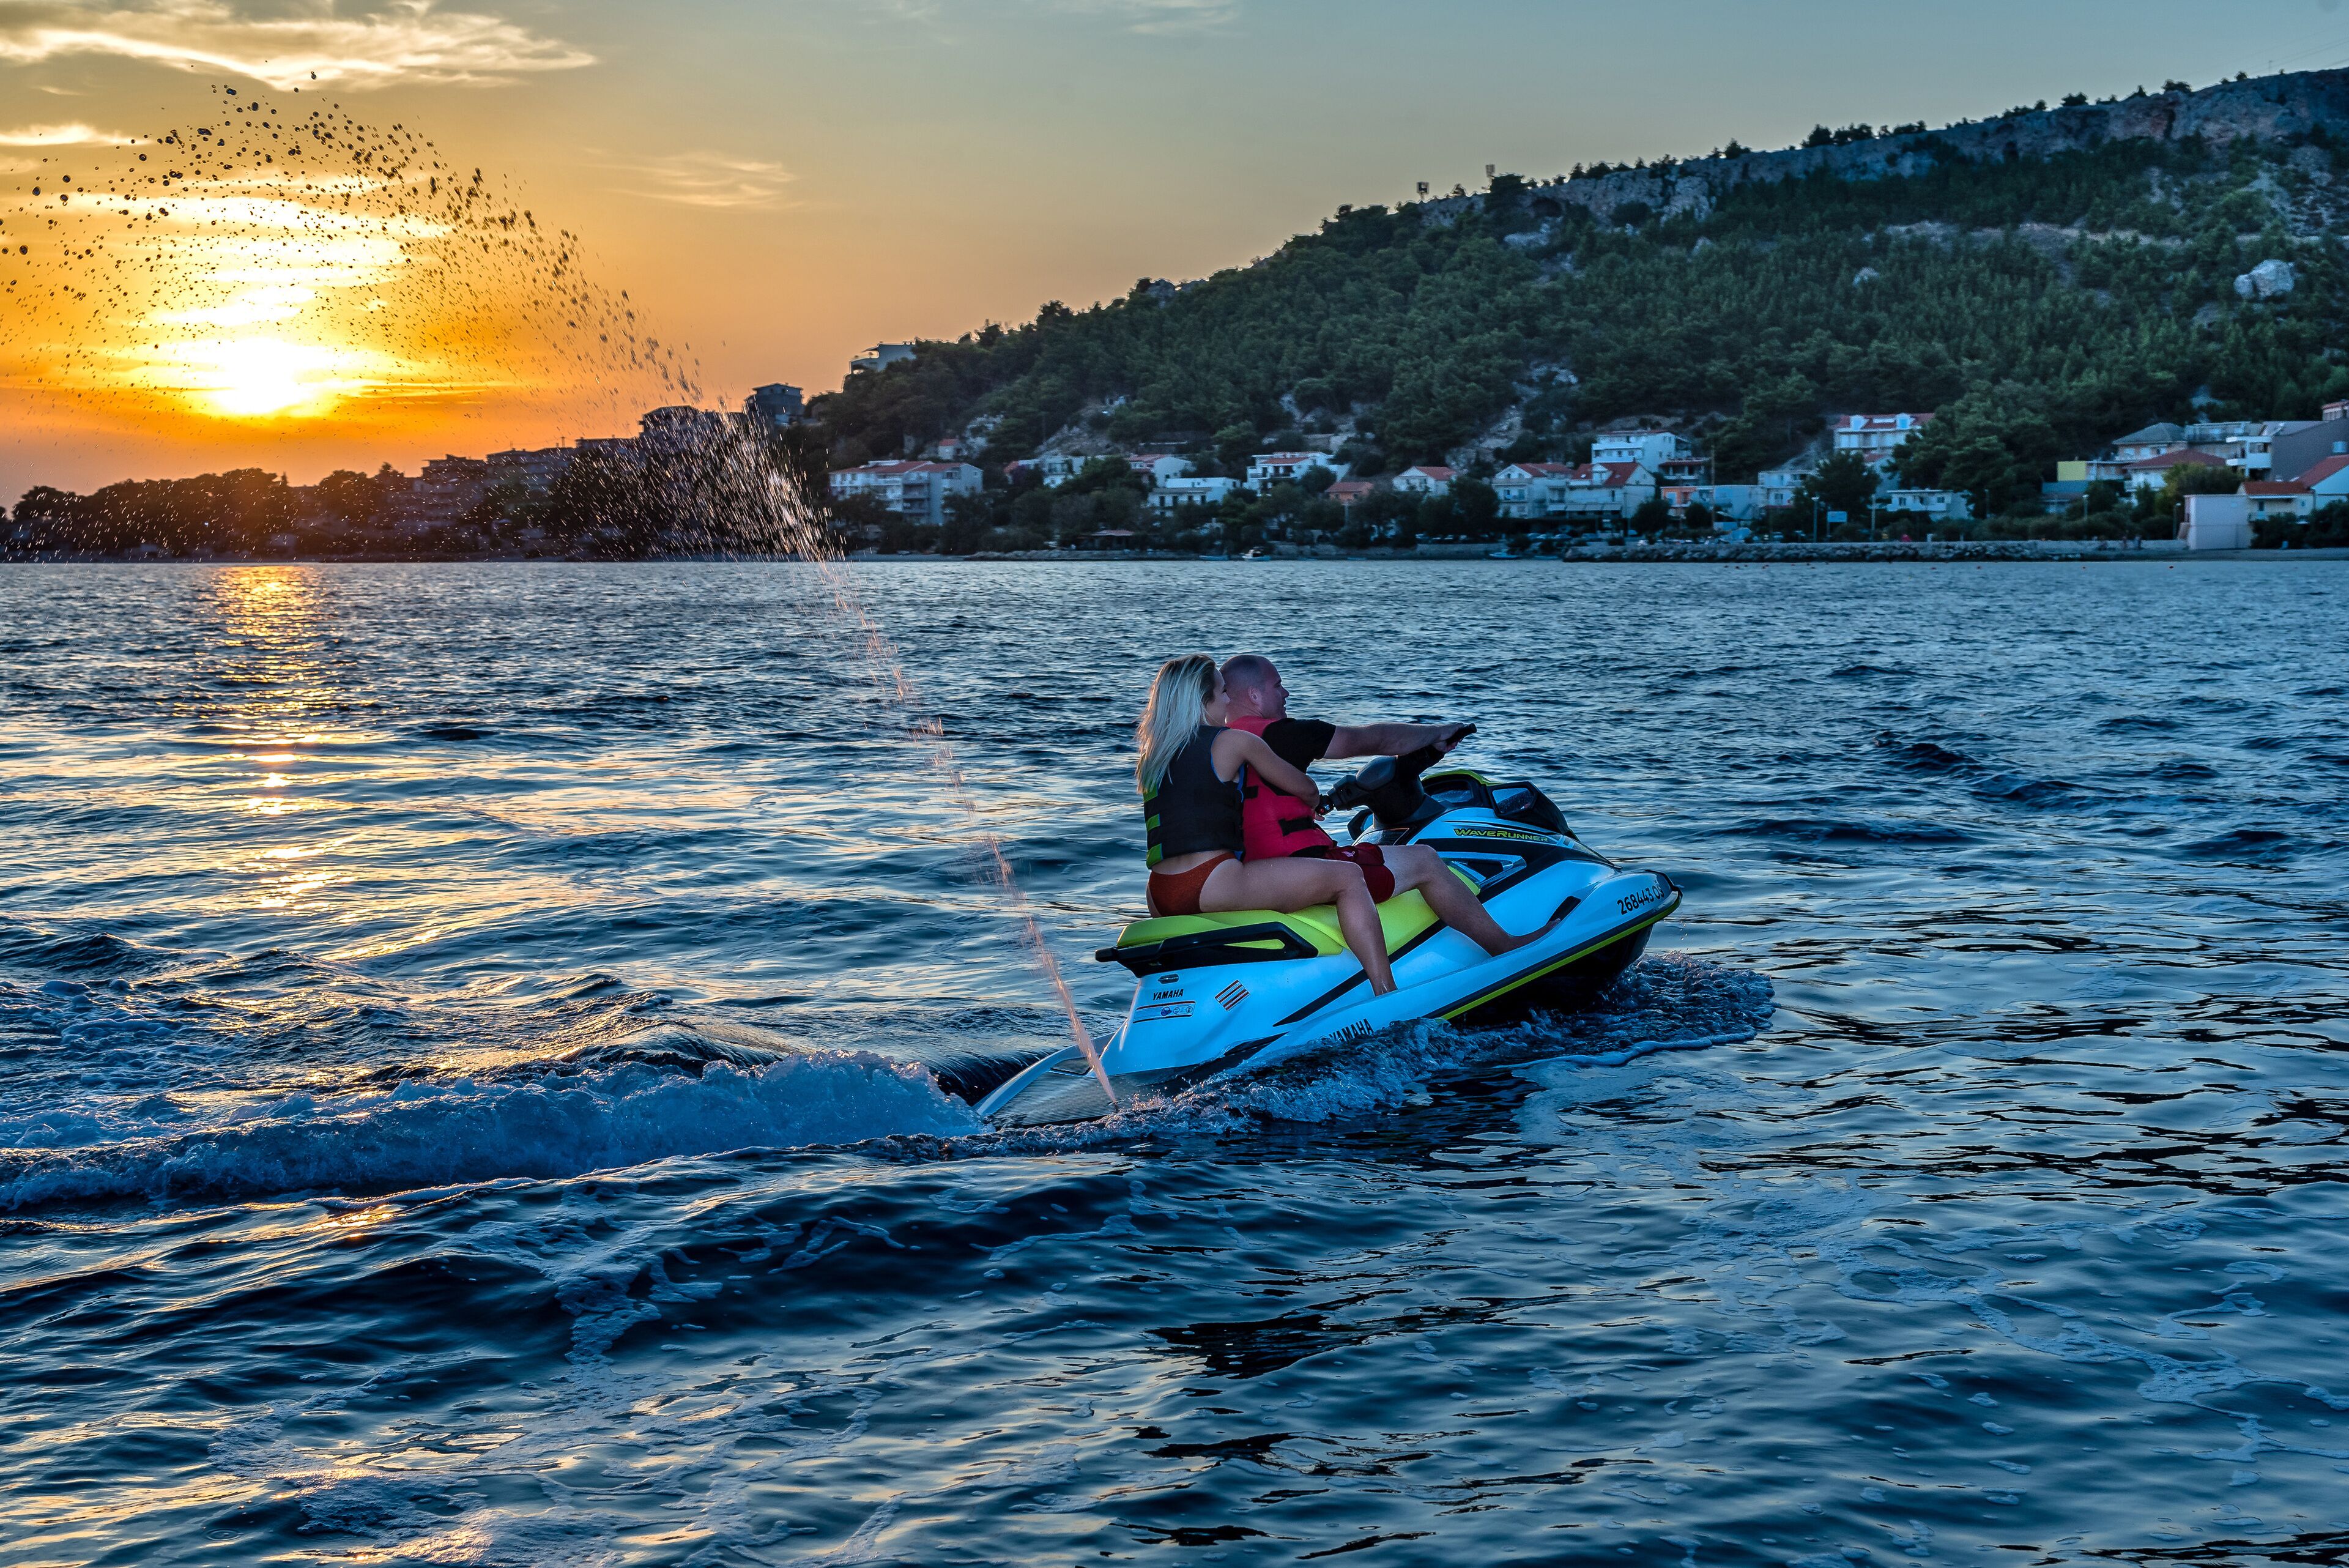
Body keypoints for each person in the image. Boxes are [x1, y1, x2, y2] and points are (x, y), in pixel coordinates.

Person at [1217, 652, 1556, 960]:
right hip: (1300, 864)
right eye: (1279, 686)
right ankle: (1505, 946)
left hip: (1250, 872)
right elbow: (1373, 739)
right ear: (1255, 695)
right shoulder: (1283, 735)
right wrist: (1437, 733)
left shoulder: (1213, 745)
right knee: (1425, 859)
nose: (1287, 694)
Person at [1136, 653, 1407, 995]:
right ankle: (1387, 992)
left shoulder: (1154, 755)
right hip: (1212, 881)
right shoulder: (1233, 740)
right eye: (1221, 694)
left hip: (1159, 893)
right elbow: (1304, 788)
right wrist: (1312, 803)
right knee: (1348, 878)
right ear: (1202, 700)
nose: (1227, 701)